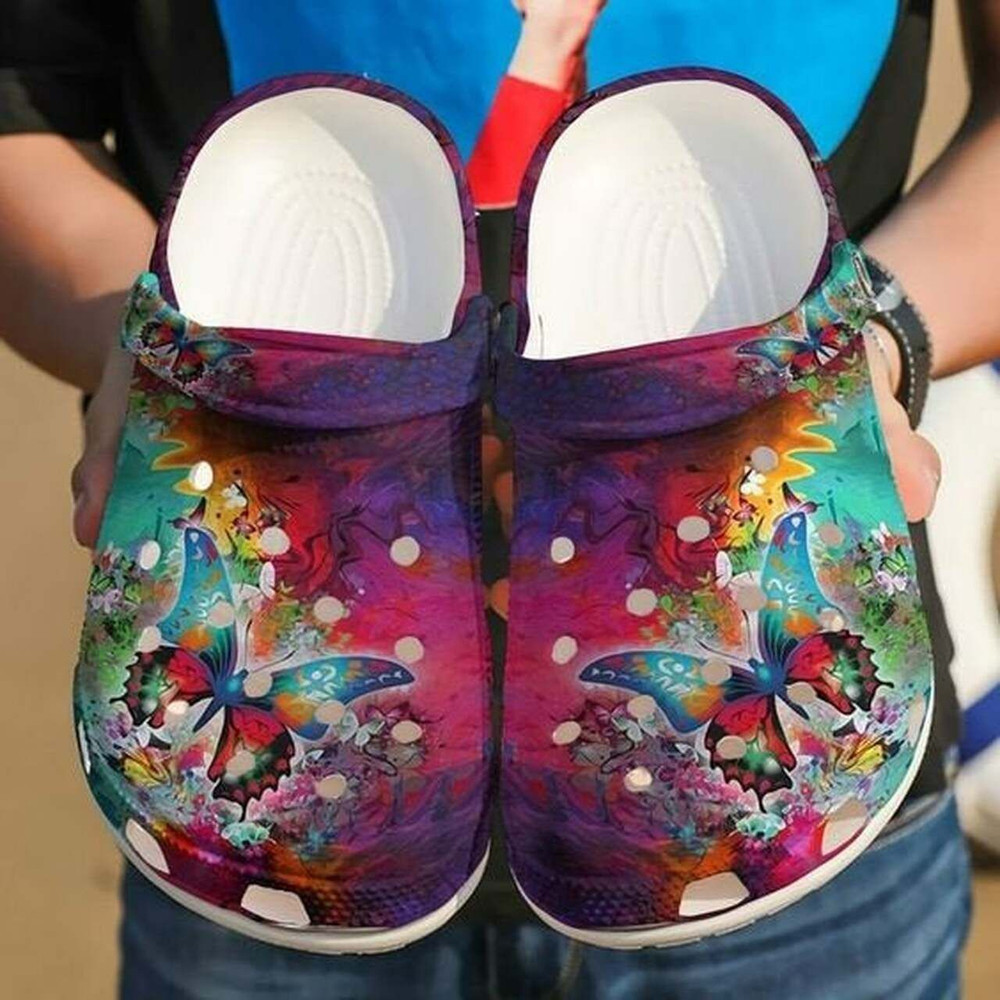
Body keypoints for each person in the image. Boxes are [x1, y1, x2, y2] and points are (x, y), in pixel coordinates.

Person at [1, 2, 997, 997]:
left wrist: (884, 337)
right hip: (259, 861)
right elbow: (21, 105)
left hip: (813, 877)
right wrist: (141, 349)